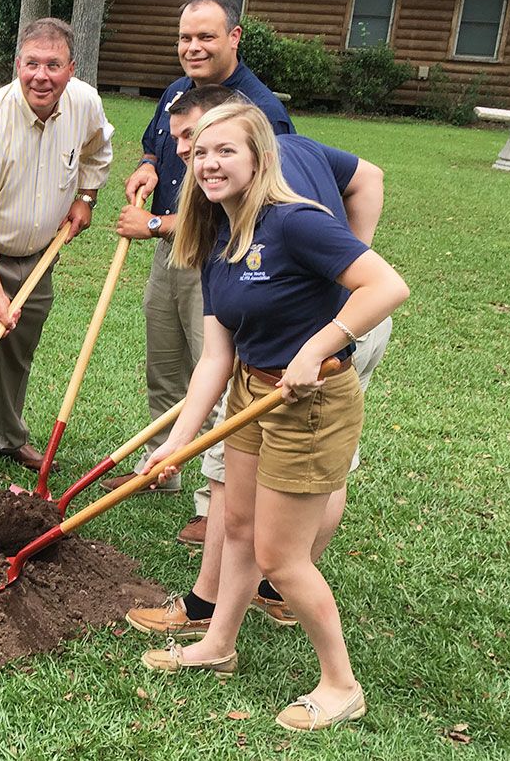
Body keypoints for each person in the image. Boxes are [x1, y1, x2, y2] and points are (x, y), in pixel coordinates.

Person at [136, 102, 408, 732]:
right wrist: (175, 446)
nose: (209, 164)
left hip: (309, 403)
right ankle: (217, 644)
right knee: (234, 524)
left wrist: (317, 347)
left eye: (225, 151)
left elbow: (386, 286)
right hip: (252, 392)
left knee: (281, 558)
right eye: (201, 152)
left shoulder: (294, 224)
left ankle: (341, 684)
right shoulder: (213, 236)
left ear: (259, 156)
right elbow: (214, 358)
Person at [106, 0, 294, 505]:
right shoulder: (179, 92)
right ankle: (163, 467)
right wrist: (148, 164)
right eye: (186, 37)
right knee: (165, 366)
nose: (193, 47)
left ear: (235, 37)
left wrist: (157, 224)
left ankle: (214, 507)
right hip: (173, 252)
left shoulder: (258, 111)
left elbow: (254, 202)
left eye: (206, 36)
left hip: (223, 258)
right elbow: (157, 142)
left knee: (215, 372)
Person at [0, 17, 114, 504]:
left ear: (71, 69)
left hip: (40, 253)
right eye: (32, 64)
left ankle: (10, 437)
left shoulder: (84, 104)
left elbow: (99, 151)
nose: (42, 75)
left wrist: (86, 196)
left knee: (19, 350)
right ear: (17, 66)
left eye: (53, 65)